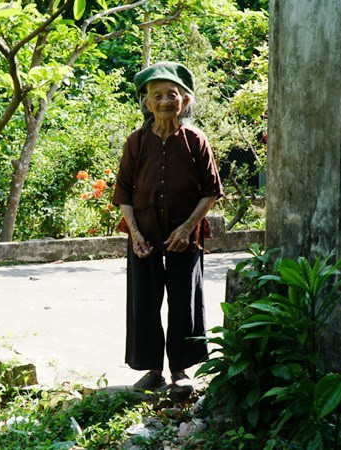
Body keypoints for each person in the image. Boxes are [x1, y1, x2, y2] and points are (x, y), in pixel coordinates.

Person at [112, 62, 223, 391]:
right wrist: (134, 232)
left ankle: (180, 371)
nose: (164, 102)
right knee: (144, 302)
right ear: (147, 103)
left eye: (171, 95)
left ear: (184, 101)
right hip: (143, 233)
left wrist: (189, 227)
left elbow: (211, 191)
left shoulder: (195, 140)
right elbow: (123, 192)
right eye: (156, 96)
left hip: (184, 235)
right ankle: (152, 370)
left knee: (184, 302)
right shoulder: (136, 141)